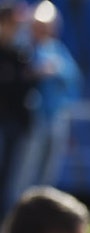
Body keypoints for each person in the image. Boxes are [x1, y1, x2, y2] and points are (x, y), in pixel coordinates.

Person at [9, 1, 80, 201]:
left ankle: (42, 209)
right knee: (25, 168)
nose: (43, 31)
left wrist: (54, 71)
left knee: (49, 170)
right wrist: (37, 73)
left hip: (56, 117)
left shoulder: (56, 49)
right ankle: (17, 207)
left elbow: (73, 79)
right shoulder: (24, 47)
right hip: (33, 117)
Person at [0, 3, 34, 221]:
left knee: (11, 180)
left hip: (16, 124)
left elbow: (23, 86)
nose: (15, 30)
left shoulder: (19, 54)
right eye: (12, 25)